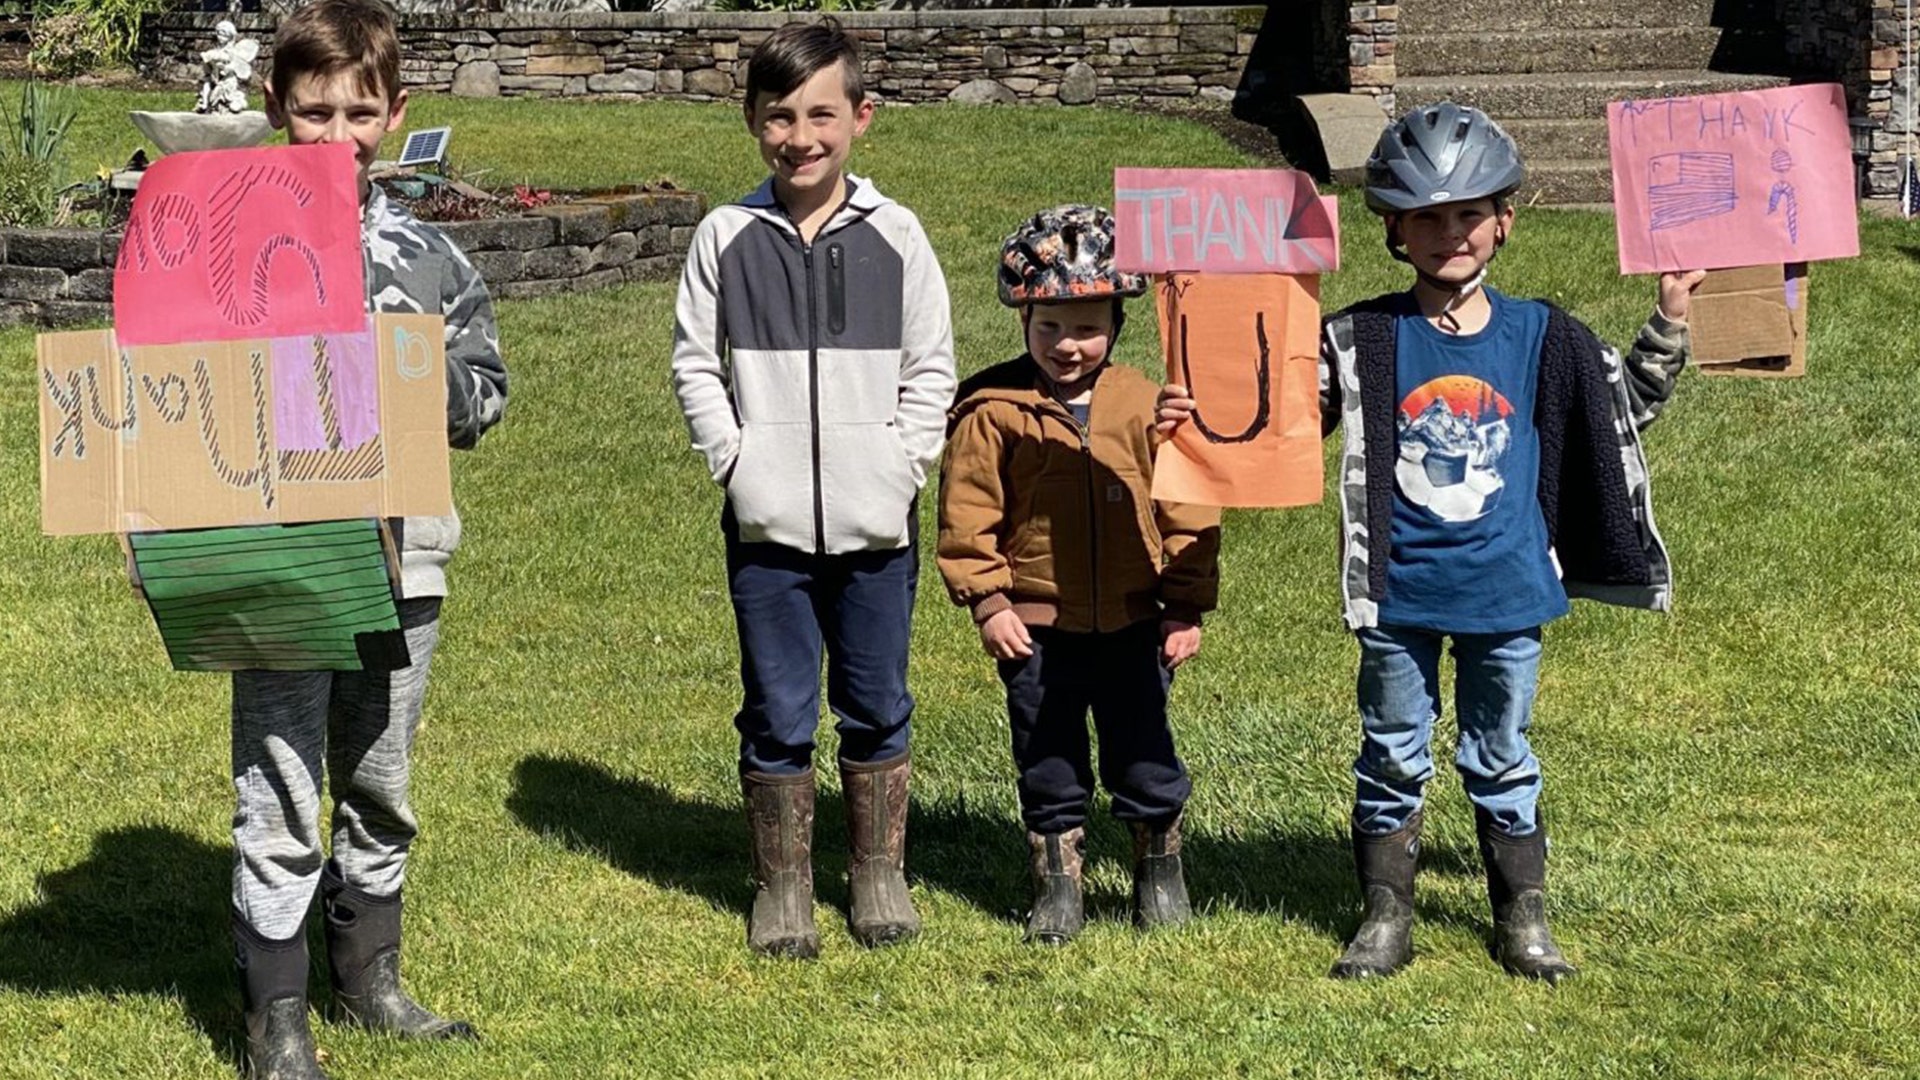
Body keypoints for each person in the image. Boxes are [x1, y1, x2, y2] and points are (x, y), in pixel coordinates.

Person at [1158, 102, 1703, 983]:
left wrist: (1670, 319)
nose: (1450, 234)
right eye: (1427, 218)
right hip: (1398, 592)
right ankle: (1385, 918)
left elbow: (1622, 413)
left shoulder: (1545, 335)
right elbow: (1284, 427)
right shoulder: (1359, 336)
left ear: (1503, 222)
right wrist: (1197, 417)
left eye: (1468, 215)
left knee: (1502, 755)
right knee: (1390, 753)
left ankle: (1523, 918)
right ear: (1393, 229)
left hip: (1508, 592)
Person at [231, 2, 507, 1076]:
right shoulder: (224, 251)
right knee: (282, 771)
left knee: (379, 770)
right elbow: (164, 396)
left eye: (357, 111)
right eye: (312, 111)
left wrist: (415, 374)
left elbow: (486, 393)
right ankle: (276, 1012)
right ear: (275, 110)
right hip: (275, 554)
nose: (336, 133)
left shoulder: (427, 255)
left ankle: (369, 975)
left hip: (407, 556)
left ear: (395, 115)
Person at [669, 17, 956, 959]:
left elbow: (932, 369)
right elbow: (694, 365)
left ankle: (877, 872)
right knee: (778, 705)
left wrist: (899, 463)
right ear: (753, 121)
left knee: (877, 699)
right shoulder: (726, 236)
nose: (803, 137)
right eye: (780, 116)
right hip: (768, 526)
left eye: (822, 114)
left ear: (861, 117)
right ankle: (783, 882)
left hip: (878, 524)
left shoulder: (900, 235)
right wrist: (738, 461)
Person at [939, 205, 1220, 945]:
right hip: (1036, 629)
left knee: (1146, 752)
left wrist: (1184, 606)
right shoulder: (993, 409)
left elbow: (1188, 506)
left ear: (1117, 322)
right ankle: (1056, 884)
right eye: (1049, 327)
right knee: (1048, 755)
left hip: (1134, 620)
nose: (1068, 346)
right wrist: (990, 601)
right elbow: (968, 514)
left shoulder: (1148, 404)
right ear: (1023, 321)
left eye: (1087, 326)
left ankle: (1159, 871)